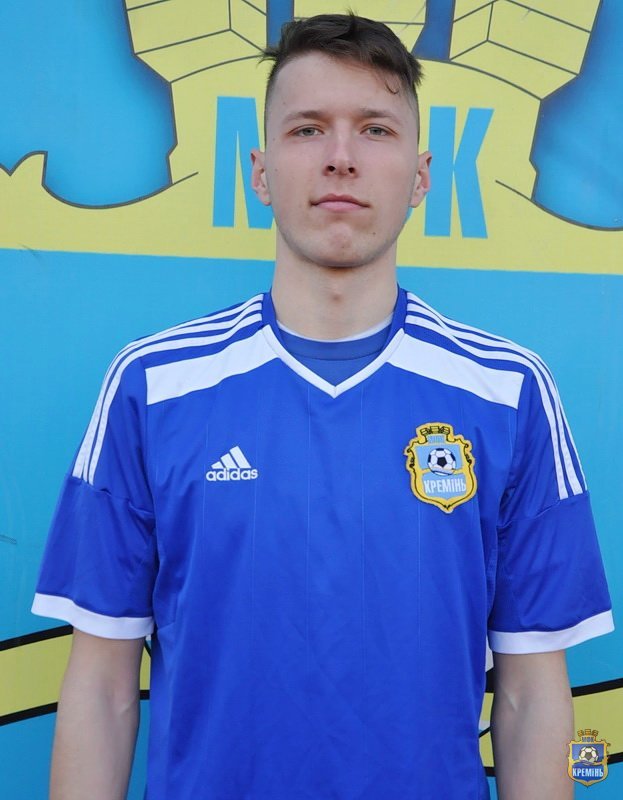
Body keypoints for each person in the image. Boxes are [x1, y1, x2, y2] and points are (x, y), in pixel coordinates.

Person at [33, 13, 613, 800]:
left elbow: (530, 696)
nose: (341, 157)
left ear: (420, 176)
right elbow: (102, 687)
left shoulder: (507, 392)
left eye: (375, 129)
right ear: (260, 171)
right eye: (307, 129)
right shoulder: (153, 385)